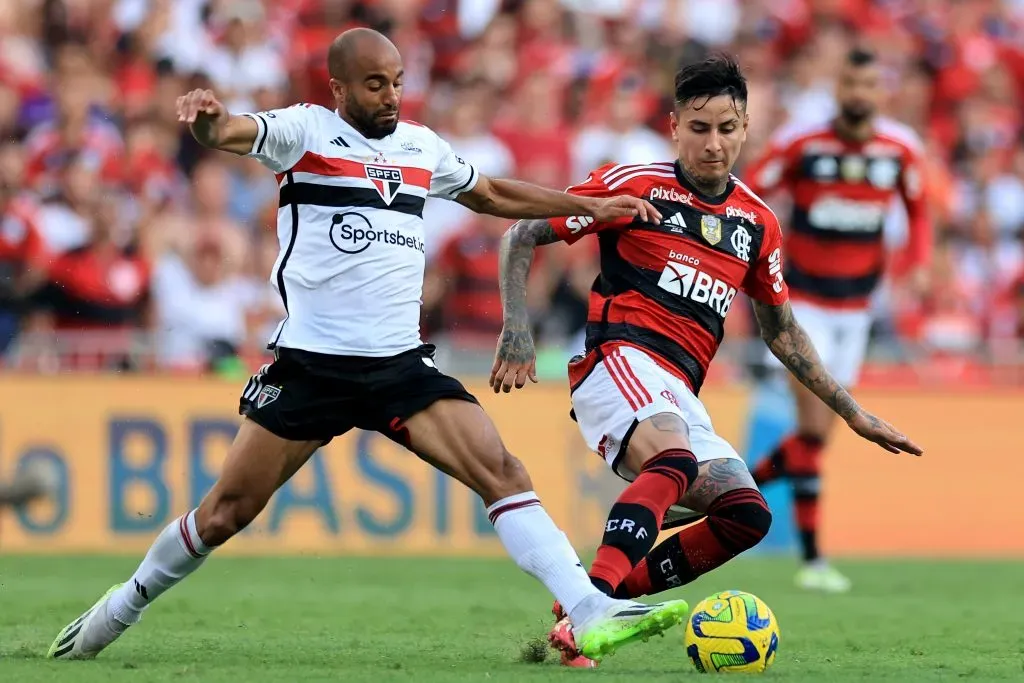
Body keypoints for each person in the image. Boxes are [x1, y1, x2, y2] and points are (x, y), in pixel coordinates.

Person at [47, 28, 689, 662]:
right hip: (311, 366)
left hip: (399, 366)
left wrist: (593, 208)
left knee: (502, 471)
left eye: (398, 82)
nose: (391, 96)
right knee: (223, 514)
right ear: (339, 88)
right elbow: (230, 134)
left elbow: (491, 193)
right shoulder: (305, 132)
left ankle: (588, 607)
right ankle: (121, 606)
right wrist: (208, 124)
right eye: (376, 84)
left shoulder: (421, 146)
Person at [490, 54, 923, 668]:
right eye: (699, 128)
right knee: (673, 458)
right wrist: (517, 328)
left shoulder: (756, 223)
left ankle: (586, 605)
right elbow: (522, 232)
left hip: (678, 390)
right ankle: (594, 612)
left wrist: (852, 414)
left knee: (746, 514)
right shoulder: (635, 184)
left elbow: (784, 334)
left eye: (727, 128)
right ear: (674, 127)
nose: (714, 144)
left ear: (745, 128)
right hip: (619, 358)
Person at [741, 47, 932, 593]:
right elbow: (753, 190)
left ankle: (734, 492)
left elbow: (919, 212)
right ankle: (812, 557)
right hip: (803, 308)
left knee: (815, 436)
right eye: (850, 82)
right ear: (839, 88)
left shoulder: (899, 148)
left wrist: (917, 265)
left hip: (859, 309)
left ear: (881, 91)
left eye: (869, 84)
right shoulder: (804, 143)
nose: (859, 94)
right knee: (817, 426)